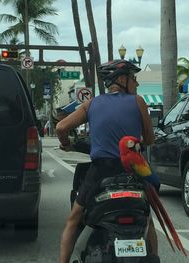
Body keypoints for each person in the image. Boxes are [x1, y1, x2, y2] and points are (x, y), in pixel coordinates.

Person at [56, 60, 159, 263]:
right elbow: (149, 140)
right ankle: (154, 257)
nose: (136, 83)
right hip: (132, 173)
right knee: (147, 220)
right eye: (133, 78)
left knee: (73, 220)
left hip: (99, 174)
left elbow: (60, 128)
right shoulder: (138, 102)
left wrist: (66, 144)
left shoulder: (91, 104)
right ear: (122, 80)